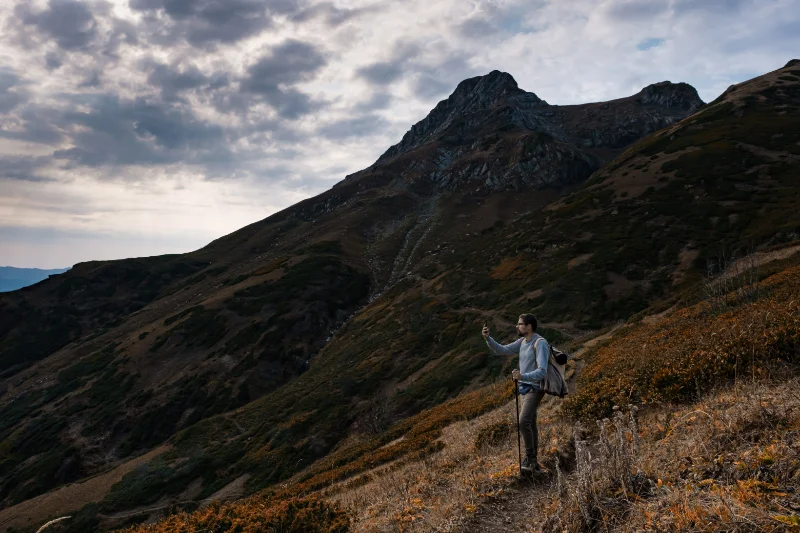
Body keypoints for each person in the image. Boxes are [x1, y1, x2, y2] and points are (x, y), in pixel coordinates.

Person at [482, 314, 549, 474]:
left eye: (520, 324)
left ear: (529, 326)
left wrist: (522, 376)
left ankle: (530, 459)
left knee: (523, 421)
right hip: (525, 389)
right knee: (530, 423)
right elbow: (502, 350)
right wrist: (488, 338)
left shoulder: (540, 343)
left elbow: (542, 371)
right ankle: (533, 463)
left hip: (535, 388)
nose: (517, 326)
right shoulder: (522, 342)